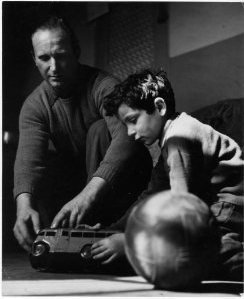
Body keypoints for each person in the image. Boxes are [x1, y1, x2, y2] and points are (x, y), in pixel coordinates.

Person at [13, 15, 152, 252]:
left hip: (127, 180)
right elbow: (29, 160)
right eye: (44, 58)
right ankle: (63, 240)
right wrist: (23, 205)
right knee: (51, 164)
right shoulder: (34, 105)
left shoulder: (105, 86)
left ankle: (108, 233)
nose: (53, 67)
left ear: (76, 51)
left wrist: (87, 195)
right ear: (34, 59)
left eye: (61, 56)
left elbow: (127, 138)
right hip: (83, 181)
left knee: (99, 130)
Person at [91, 69, 244, 281]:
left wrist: (128, 241)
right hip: (217, 206)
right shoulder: (173, 133)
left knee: (206, 256)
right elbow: (153, 194)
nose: (130, 132)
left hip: (229, 208)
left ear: (159, 107)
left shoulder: (178, 138)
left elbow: (180, 209)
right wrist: (112, 229)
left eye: (133, 120)